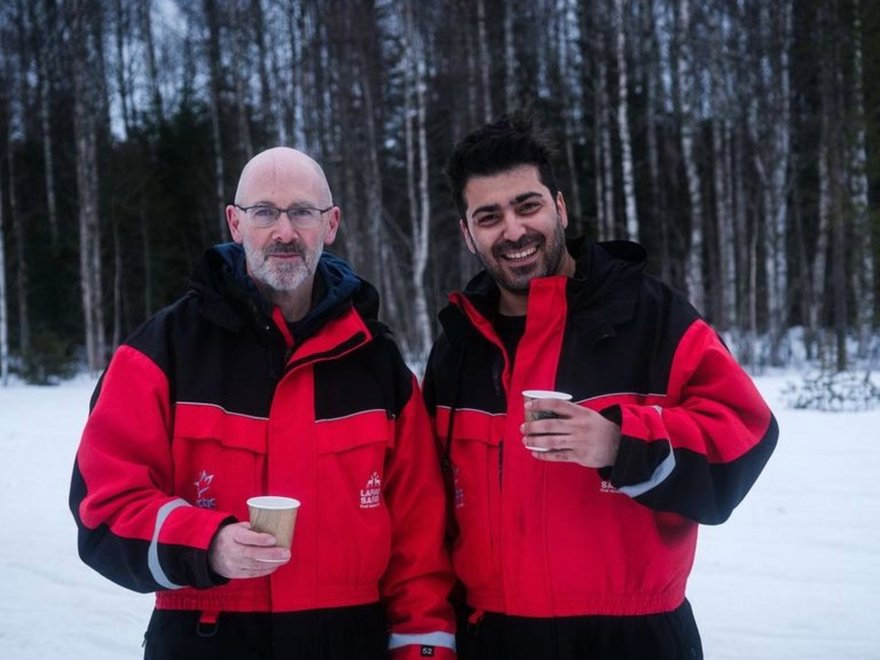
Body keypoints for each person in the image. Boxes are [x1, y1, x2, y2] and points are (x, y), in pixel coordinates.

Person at [70, 147, 456, 660]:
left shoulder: (378, 364)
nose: (285, 232)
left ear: (332, 223)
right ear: (235, 222)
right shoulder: (164, 351)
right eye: (265, 212)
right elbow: (105, 509)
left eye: (302, 212)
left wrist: (423, 650)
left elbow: (421, 545)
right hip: (206, 640)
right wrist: (205, 543)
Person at [422, 115, 778, 660]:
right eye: (489, 217)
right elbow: (428, 508)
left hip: (635, 637)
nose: (513, 230)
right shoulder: (459, 344)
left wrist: (622, 445)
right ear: (467, 234)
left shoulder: (651, 317)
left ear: (559, 207)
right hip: (492, 636)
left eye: (527, 205)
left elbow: (746, 437)